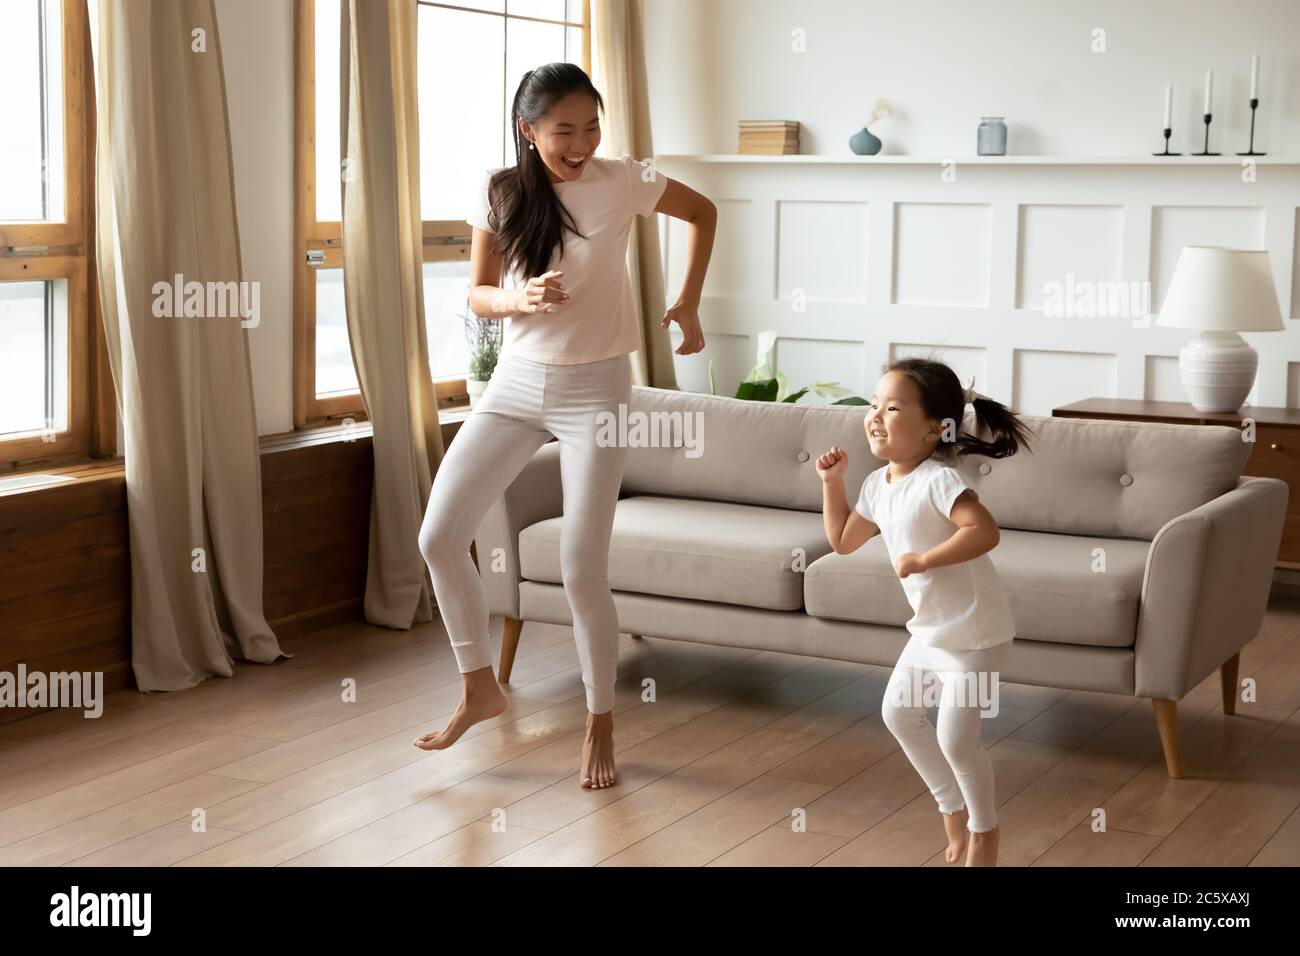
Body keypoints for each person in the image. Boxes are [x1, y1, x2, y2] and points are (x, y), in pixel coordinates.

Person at [414, 62, 716, 791]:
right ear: (528, 130)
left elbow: (704, 211)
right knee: (439, 538)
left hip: (597, 391)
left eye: (590, 127)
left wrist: (688, 302)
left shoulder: (624, 179)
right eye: (562, 132)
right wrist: (519, 298)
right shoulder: (504, 191)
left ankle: (599, 720)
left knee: (582, 571)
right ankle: (478, 687)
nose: (580, 144)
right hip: (516, 387)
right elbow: (479, 295)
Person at [815, 357, 1032, 865]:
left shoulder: (937, 480)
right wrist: (833, 484)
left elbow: (984, 531)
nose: (875, 415)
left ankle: (984, 832)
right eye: (873, 405)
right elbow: (844, 541)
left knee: (956, 739)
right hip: (931, 633)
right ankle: (951, 810)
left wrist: (923, 560)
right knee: (898, 713)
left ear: (935, 429)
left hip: (977, 636)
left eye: (892, 408)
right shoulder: (877, 484)